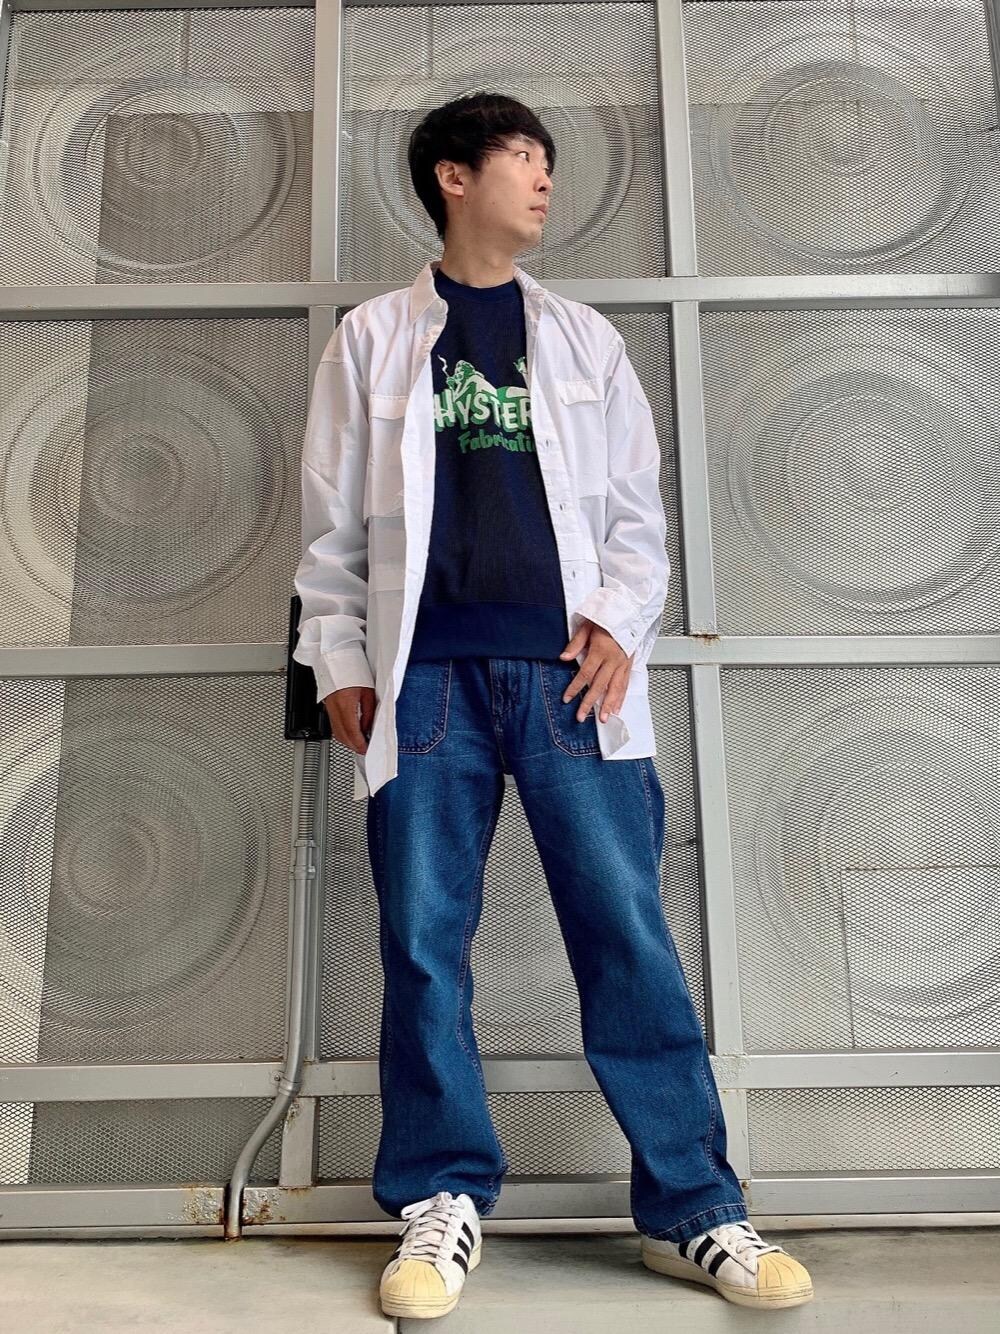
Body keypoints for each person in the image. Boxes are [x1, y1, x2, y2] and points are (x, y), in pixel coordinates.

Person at [293, 90, 814, 1319]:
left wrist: (622, 627)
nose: (543, 180)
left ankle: (694, 1207)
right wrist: (338, 659)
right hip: (424, 681)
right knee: (423, 942)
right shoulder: (371, 338)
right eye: (522, 158)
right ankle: (438, 1197)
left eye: (545, 162)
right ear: (452, 176)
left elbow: (637, 515)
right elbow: (328, 523)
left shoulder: (582, 340)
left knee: (625, 934)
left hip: (569, 682)